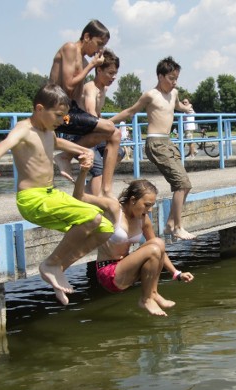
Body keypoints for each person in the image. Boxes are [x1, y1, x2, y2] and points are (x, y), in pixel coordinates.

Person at [0, 84, 113, 306]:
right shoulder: (23, 129)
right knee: (92, 217)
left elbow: (57, 142)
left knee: (105, 229)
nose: (62, 121)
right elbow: (0, 147)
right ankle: (51, 264)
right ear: (40, 108)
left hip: (51, 194)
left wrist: (83, 150)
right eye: (58, 115)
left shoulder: (48, 130)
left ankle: (58, 270)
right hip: (33, 199)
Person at [63, 166, 194, 316]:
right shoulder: (114, 209)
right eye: (147, 205)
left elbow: (160, 251)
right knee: (153, 248)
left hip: (126, 270)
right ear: (133, 200)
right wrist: (83, 172)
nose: (150, 210)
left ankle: (153, 293)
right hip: (108, 273)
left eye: (151, 205)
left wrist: (176, 273)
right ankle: (146, 299)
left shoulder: (143, 220)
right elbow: (79, 197)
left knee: (158, 243)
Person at [110, 56, 196, 240]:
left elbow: (176, 106)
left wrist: (186, 107)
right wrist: (108, 122)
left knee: (185, 185)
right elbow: (131, 111)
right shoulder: (151, 95)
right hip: (155, 143)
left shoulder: (174, 93)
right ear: (160, 76)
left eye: (176, 78)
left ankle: (171, 224)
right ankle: (177, 227)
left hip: (168, 142)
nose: (174, 82)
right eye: (171, 78)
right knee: (182, 184)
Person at [48, 19, 121, 197]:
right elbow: (68, 86)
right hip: (58, 111)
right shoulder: (70, 48)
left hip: (70, 109)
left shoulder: (81, 57)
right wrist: (92, 66)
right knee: (111, 129)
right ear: (87, 37)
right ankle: (65, 156)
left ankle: (106, 188)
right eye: (99, 44)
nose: (99, 50)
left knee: (113, 133)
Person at [76, 48, 126, 195]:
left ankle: (84, 192)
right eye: (110, 73)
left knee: (120, 152)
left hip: (94, 135)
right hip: (81, 136)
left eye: (115, 73)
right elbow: (91, 113)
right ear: (99, 70)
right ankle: (101, 201)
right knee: (98, 171)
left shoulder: (103, 89)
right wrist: (106, 126)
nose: (114, 77)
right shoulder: (91, 88)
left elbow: (98, 114)